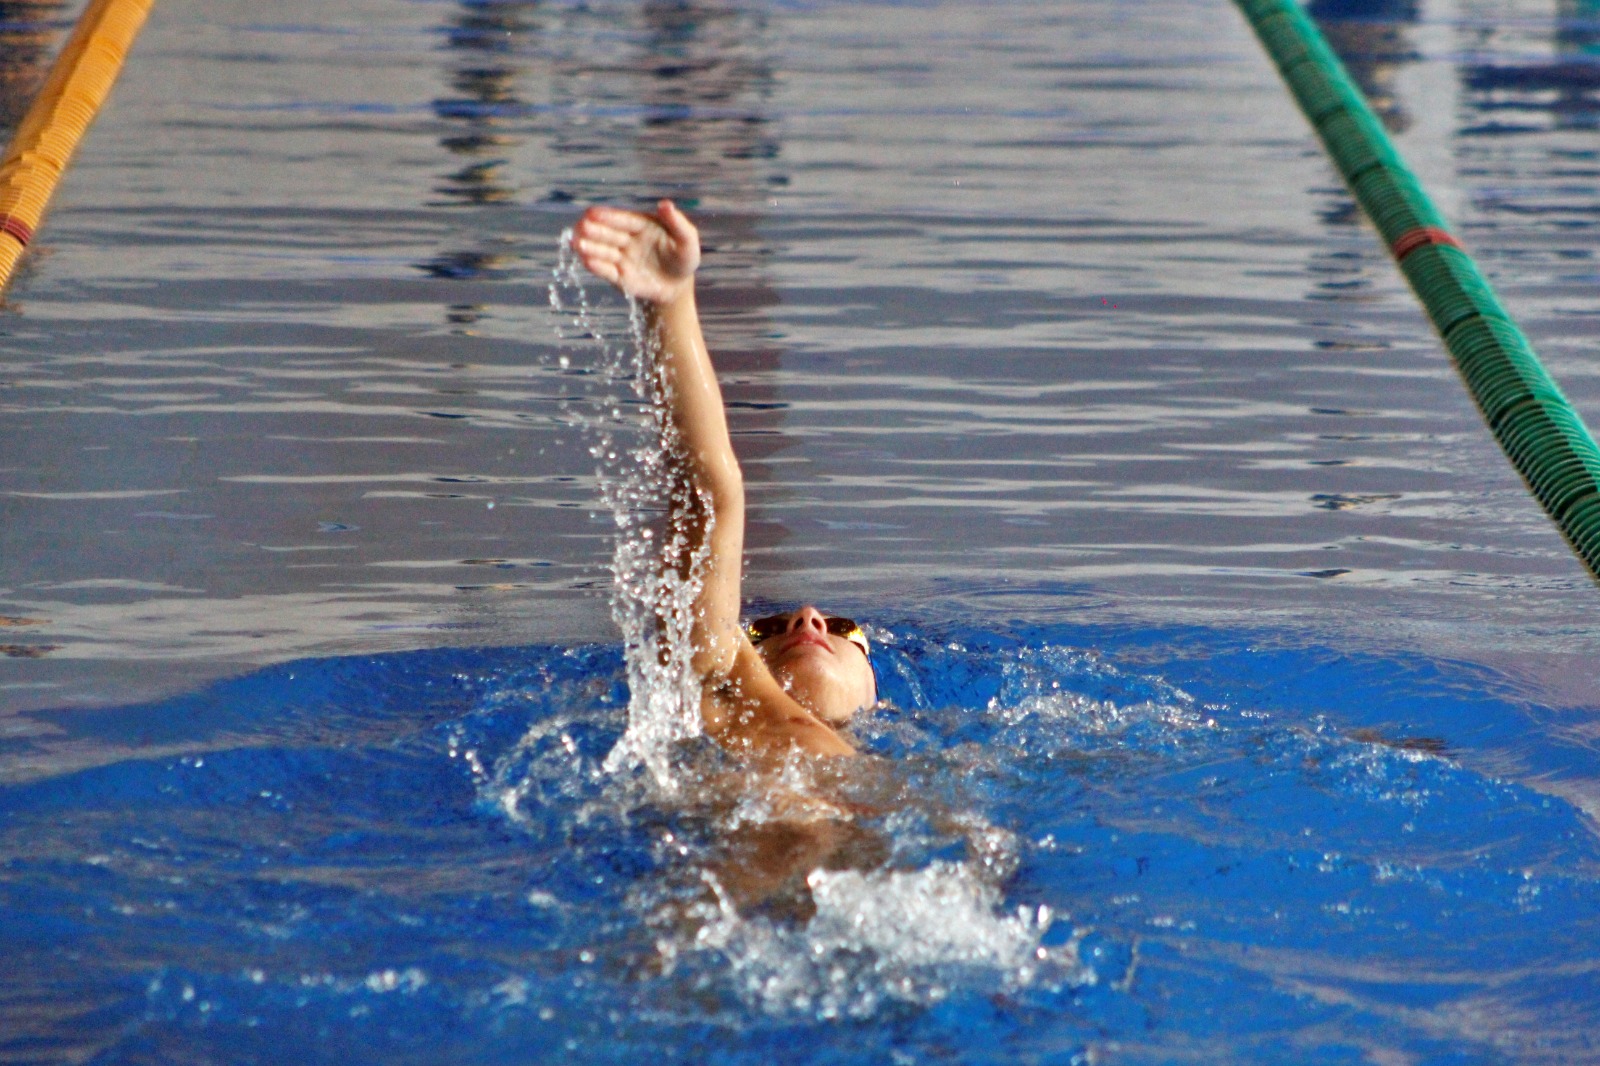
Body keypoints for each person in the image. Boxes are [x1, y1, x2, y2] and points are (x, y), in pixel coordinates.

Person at [571, 200, 871, 761]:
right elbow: (708, 494)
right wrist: (670, 303)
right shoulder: (728, 696)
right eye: (769, 631)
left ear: (880, 697)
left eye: (840, 628)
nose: (808, 619)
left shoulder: (917, 787)